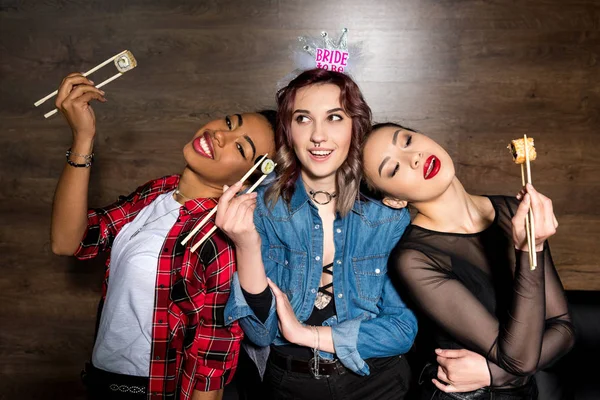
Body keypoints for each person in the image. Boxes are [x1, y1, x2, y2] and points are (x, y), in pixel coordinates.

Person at [50, 72, 276, 400]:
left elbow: (210, 362)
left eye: (240, 146)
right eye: (229, 122)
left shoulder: (218, 238)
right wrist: (83, 138)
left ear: (248, 180)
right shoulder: (160, 191)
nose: (219, 135)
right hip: (100, 381)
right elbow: (70, 240)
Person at [213, 68, 417, 400]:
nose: (318, 136)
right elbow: (261, 333)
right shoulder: (263, 206)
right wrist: (246, 244)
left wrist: (304, 333)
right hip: (289, 385)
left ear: (356, 126)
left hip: (377, 382)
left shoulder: (386, 213)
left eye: (334, 117)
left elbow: (402, 331)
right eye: (303, 119)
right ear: (288, 131)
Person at [361, 122, 576, 399]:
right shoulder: (414, 258)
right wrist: (528, 249)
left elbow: (563, 328)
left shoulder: (513, 210)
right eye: (394, 168)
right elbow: (520, 359)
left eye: (407, 141)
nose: (413, 157)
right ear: (394, 200)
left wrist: (491, 373)